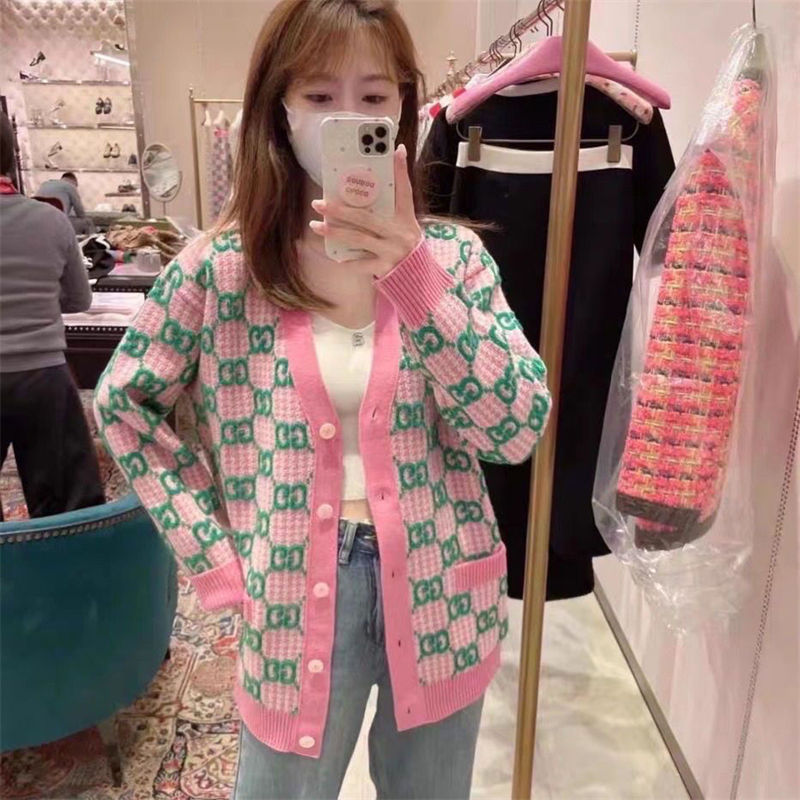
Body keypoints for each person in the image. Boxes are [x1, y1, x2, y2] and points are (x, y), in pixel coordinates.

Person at [94, 1, 551, 797]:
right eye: (319, 95)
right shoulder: (222, 268)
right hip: (289, 591)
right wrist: (214, 554)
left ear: (402, 107)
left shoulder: (455, 260)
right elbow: (124, 404)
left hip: (444, 591)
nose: (348, 118)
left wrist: (414, 280)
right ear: (279, 107)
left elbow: (515, 430)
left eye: (372, 97)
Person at [0, 112, 105, 518]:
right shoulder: (51, 220)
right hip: (43, 375)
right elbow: (80, 299)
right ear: (10, 154)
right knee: (65, 505)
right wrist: (40, 300)